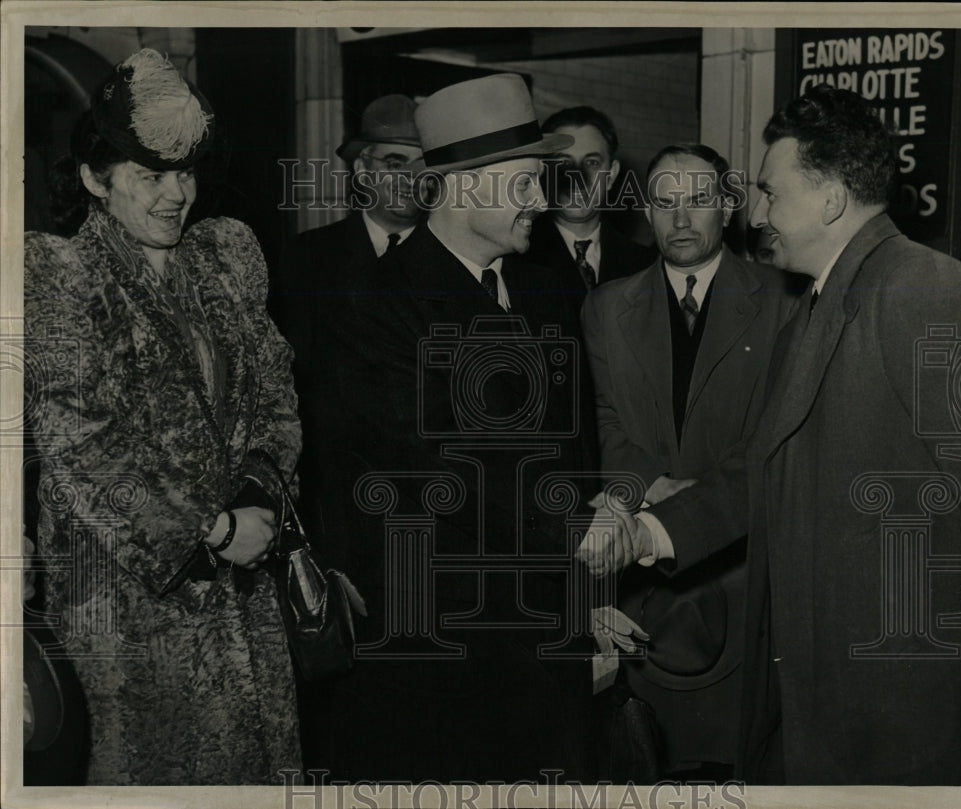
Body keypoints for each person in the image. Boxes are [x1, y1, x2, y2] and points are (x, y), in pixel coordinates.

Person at [578, 85, 961, 785]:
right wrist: (649, 532)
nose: (757, 213)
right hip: (821, 682)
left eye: (770, 191)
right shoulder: (814, 307)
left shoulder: (922, 286)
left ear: (827, 199)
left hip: (901, 691)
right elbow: (758, 475)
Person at [309, 73, 603, 783]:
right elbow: (448, 471)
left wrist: (589, 595)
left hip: (547, 649)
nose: (544, 199)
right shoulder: (375, 306)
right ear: (466, 185)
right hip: (442, 671)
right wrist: (588, 536)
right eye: (528, 182)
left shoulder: (542, 285)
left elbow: (574, 451)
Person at [23, 49, 302, 785]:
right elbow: (79, 444)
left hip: (247, 586)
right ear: (94, 178)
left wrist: (257, 493)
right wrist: (210, 532)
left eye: (185, 172)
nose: (177, 194)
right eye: (151, 175)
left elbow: (275, 392)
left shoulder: (226, 257)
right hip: (126, 602)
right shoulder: (59, 277)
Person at [581, 144, 798, 780]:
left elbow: (773, 439)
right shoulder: (604, 307)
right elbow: (602, 424)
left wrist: (694, 507)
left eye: (698, 201)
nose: (681, 218)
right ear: (646, 211)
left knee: (736, 762)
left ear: (729, 206)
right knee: (645, 756)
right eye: (666, 202)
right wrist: (658, 488)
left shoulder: (786, 300)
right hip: (641, 577)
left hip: (742, 567)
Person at [273, 94, 424, 384]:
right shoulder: (307, 257)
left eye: (422, 167)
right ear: (363, 170)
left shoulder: (453, 255)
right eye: (395, 164)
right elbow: (294, 374)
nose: (410, 179)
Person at [525, 106, 654, 306]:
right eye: (563, 163)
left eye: (592, 163)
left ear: (611, 175)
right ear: (544, 172)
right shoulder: (518, 258)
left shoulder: (646, 266)